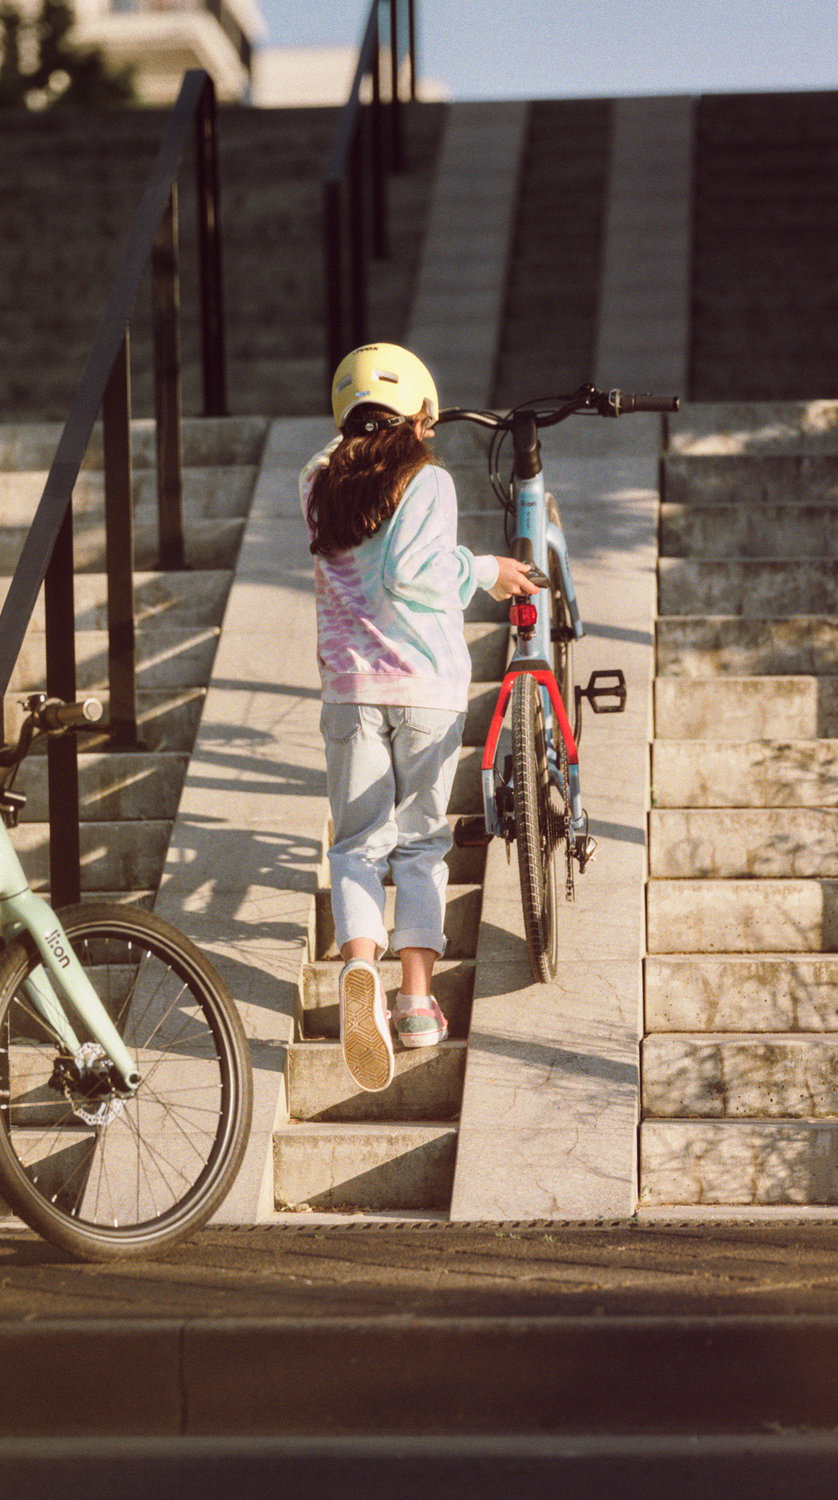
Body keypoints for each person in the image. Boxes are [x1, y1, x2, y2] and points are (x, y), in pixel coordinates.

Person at [305, 344, 540, 1093]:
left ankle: (359, 969)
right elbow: (413, 571)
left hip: (349, 692)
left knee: (356, 847)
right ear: (420, 416)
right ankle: (413, 1002)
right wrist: (484, 569)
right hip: (425, 689)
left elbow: (339, 466)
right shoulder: (428, 480)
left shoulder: (316, 482)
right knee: (420, 844)